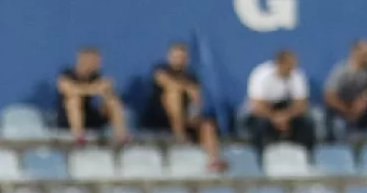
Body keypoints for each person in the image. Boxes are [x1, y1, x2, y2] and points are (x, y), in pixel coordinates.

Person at [142, 42, 226, 173]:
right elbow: (167, 83)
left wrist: (195, 112)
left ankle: (213, 159)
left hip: (186, 117)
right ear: (169, 57)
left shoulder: (192, 77)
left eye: (182, 57)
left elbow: (197, 99)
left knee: (207, 125)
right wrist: (187, 88)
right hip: (159, 117)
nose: (179, 60)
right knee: (173, 94)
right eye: (176, 57)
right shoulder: (160, 70)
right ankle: (179, 135)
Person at [245, 48, 315, 153]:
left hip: (286, 109)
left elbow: (302, 104)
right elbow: (257, 106)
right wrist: (274, 118)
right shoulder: (261, 75)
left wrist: (286, 116)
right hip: (266, 110)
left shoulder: (297, 74)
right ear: (279, 64)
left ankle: (306, 155)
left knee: (307, 123)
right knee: (259, 125)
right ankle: (261, 156)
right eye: (289, 66)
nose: (292, 69)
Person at [54, 47, 129, 145]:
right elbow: (69, 89)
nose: (98, 64)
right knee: (74, 100)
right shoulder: (66, 76)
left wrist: (104, 90)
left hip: (90, 118)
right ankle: (78, 137)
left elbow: (107, 87)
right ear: (83, 60)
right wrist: (94, 89)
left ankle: (121, 135)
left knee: (113, 101)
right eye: (95, 61)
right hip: (68, 121)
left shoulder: (97, 76)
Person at [323, 39, 367, 138]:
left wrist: (364, 98)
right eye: (366, 54)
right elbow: (329, 95)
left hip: (364, 111)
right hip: (342, 109)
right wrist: (348, 111)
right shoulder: (341, 70)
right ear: (355, 53)